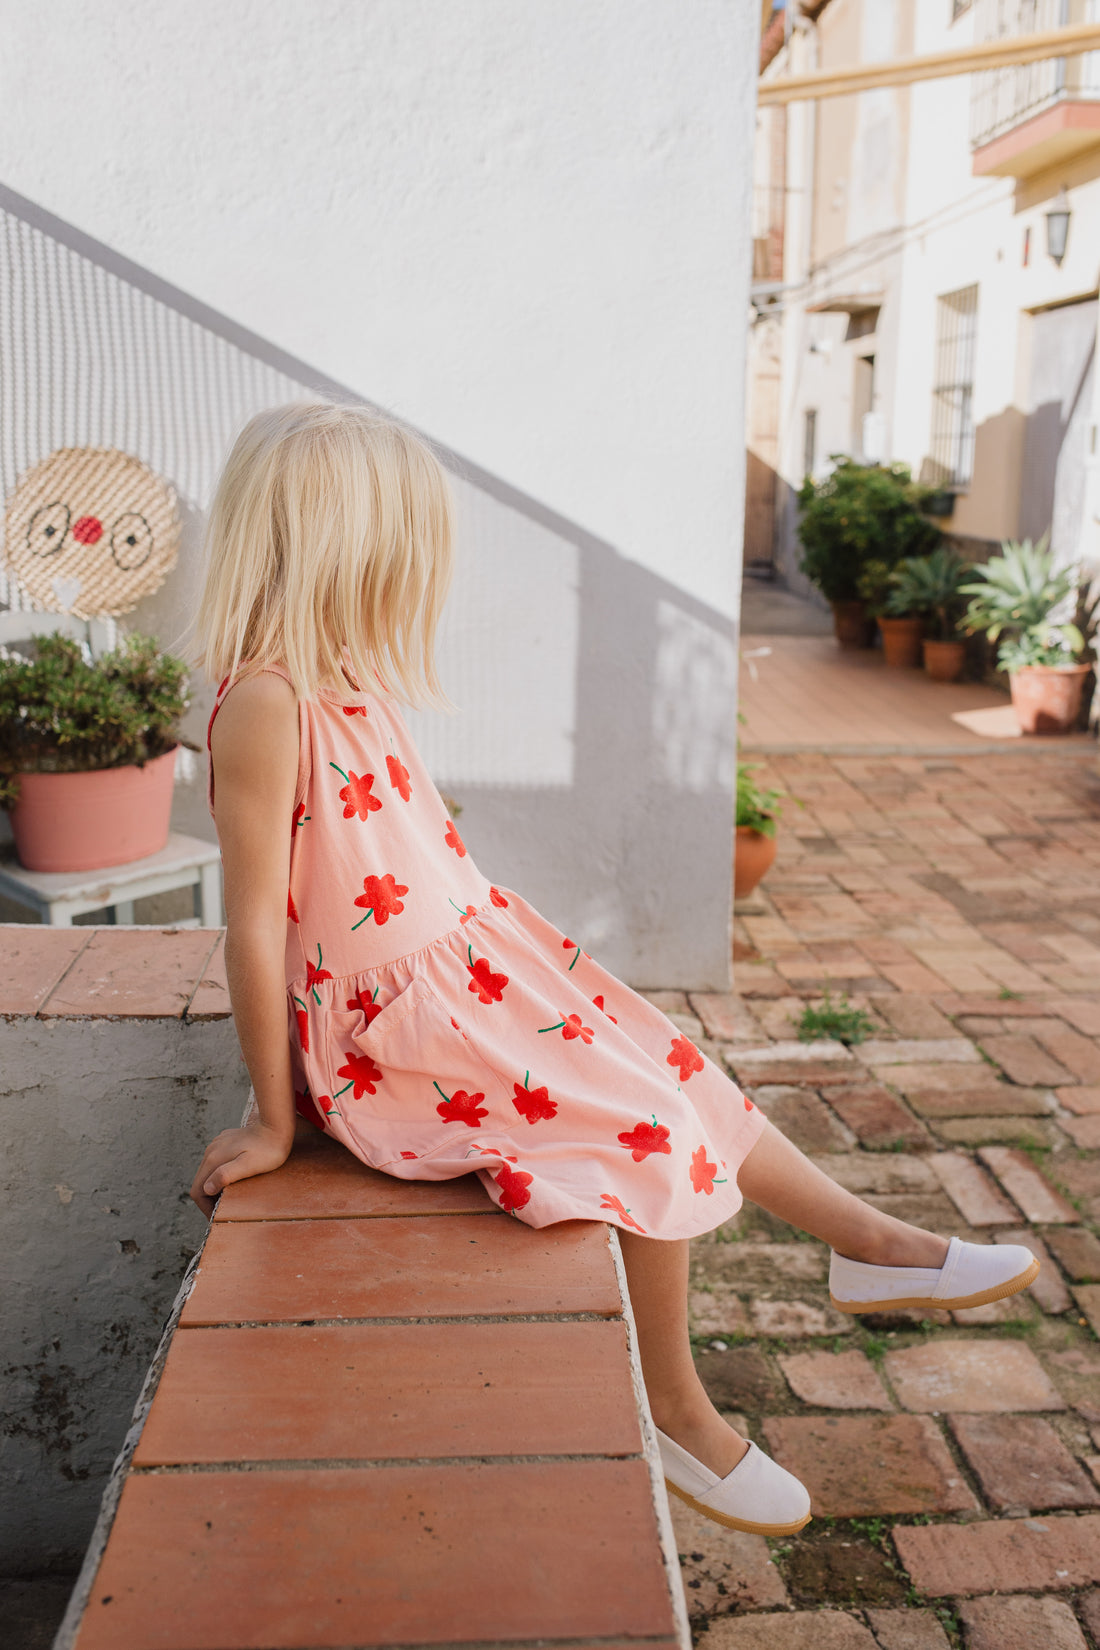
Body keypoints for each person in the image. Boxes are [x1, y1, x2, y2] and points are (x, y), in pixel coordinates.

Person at [185, 400, 1040, 1538]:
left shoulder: (339, 677)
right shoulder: (264, 708)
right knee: (635, 1116)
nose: (415, 578)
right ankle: (673, 1409)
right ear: (348, 552)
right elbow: (252, 927)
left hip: (472, 969)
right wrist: (276, 1121)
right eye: (400, 552)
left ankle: (871, 1245)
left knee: (670, 1063)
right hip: (393, 1039)